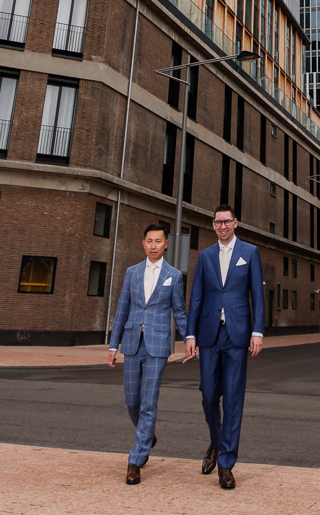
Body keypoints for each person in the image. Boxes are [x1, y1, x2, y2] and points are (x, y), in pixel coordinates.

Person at [184, 204, 264, 490]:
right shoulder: (205, 256)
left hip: (237, 335)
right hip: (208, 334)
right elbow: (195, 297)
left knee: (232, 398)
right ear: (213, 224)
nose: (222, 226)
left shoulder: (250, 253)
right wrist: (189, 335)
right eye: (218, 222)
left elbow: (257, 294)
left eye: (227, 222)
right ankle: (216, 442)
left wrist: (257, 331)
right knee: (208, 395)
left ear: (236, 223)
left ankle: (227, 464)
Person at [107, 221, 189, 485]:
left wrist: (189, 337)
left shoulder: (174, 275)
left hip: (157, 346)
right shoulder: (131, 272)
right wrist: (113, 345)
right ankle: (148, 435)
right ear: (143, 244)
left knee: (149, 402)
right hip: (131, 342)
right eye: (149, 241)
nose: (153, 246)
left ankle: (135, 460)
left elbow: (179, 311)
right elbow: (122, 308)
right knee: (132, 401)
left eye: (158, 241)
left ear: (166, 244)